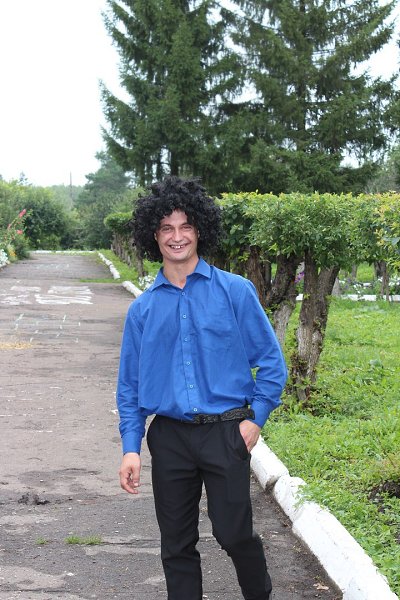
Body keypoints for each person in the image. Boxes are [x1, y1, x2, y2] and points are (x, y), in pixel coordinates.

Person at [116, 176, 287, 600]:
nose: (177, 236)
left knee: (234, 535)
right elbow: (129, 387)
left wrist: (255, 420)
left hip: (225, 433)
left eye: (185, 226)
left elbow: (271, 363)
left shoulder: (235, 292)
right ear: (154, 236)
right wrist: (131, 447)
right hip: (170, 438)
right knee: (176, 544)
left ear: (199, 231)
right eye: (166, 228)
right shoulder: (142, 309)